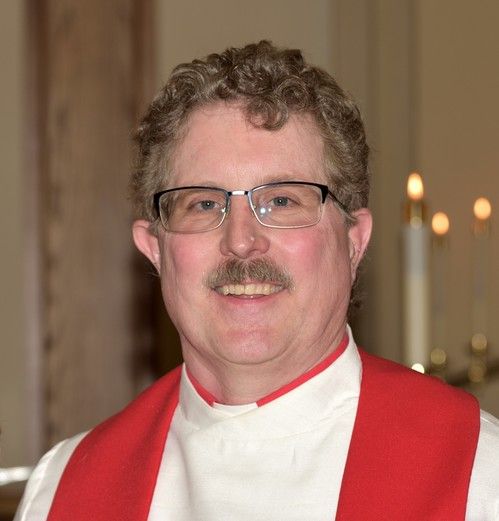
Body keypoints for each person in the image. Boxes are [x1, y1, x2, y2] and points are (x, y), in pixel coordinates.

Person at [15, 41, 499, 520]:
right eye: (204, 203)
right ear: (154, 248)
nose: (241, 241)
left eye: (282, 201)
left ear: (354, 241)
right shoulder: (62, 491)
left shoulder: (479, 471)